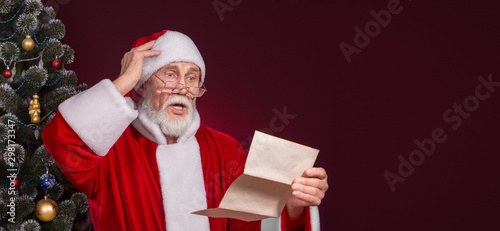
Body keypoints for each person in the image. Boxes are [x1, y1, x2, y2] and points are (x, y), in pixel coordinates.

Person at [42, 30, 328, 231]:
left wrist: (292, 205)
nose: (182, 87)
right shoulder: (111, 143)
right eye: (170, 74)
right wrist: (125, 79)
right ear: (143, 85)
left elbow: (247, 225)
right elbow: (64, 139)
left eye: (192, 78)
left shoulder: (225, 149)